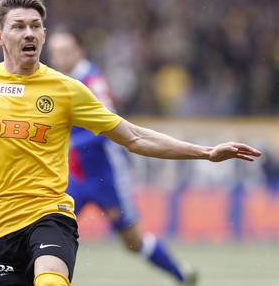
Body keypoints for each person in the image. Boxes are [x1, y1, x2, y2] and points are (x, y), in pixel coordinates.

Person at [0, 0, 261, 286]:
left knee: (52, 279)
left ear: (43, 34)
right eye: (19, 26)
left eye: (36, 26)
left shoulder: (67, 89)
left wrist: (206, 152)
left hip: (50, 214)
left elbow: (133, 136)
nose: (29, 33)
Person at [46, 29, 196, 284]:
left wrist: (64, 142)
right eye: (55, 53)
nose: (59, 59)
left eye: (65, 52)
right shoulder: (55, 81)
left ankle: (181, 274)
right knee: (49, 230)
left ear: (81, 52)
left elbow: (107, 128)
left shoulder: (93, 82)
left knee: (132, 241)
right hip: (75, 178)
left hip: (108, 178)